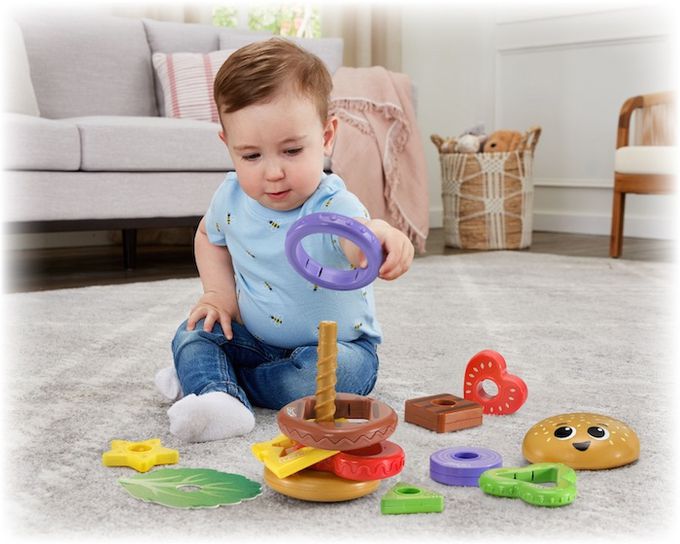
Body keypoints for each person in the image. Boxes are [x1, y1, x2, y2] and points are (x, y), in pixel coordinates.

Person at [154, 38, 414, 442]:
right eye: (251, 156)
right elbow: (208, 235)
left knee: (332, 377)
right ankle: (219, 398)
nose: (273, 172)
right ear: (228, 147)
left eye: (291, 151)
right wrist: (218, 294)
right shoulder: (230, 197)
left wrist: (379, 239)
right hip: (255, 339)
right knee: (193, 332)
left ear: (326, 136)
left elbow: (355, 238)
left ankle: (214, 381)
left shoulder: (333, 204)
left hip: (334, 351)